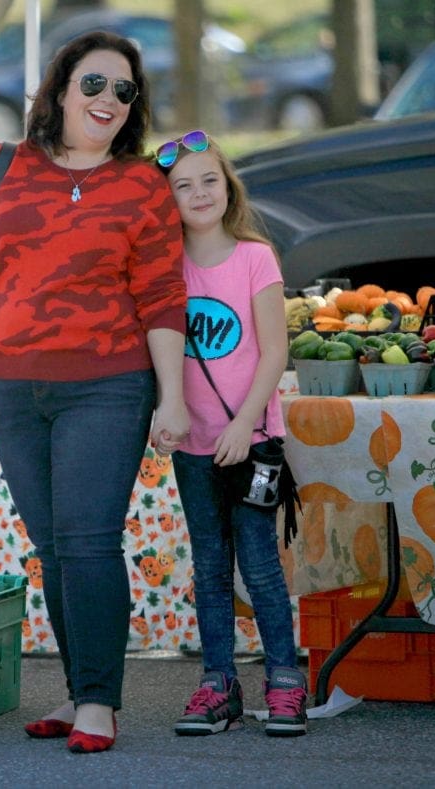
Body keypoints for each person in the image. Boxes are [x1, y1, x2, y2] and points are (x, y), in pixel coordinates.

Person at [0, 32, 189, 754]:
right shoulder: (2, 164)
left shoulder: (141, 183)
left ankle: (100, 704)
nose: (108, 99)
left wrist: (172, 395)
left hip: (108, 386)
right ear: (60, 88)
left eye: (124, 90)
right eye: (94, 83)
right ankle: (82, 694)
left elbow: (163, 295)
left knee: (86, 540)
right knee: (52, 545)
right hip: (11, 388)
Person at [155, 130, 307, 737]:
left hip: (253, 442)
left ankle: (284, 681)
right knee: (210, 566)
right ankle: (217, 685)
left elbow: (275, 352)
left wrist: (245, 424)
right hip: (194, 449)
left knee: (261, 567)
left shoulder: (253, 257)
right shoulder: (164, 268)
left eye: (208, 180)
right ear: (167, 199)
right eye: (182, 185)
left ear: (228, 186)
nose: (198, 193)